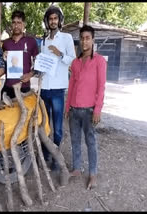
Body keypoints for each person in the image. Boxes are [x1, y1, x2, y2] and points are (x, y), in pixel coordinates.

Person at [65, 25, 107, 190]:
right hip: (74, 109)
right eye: (82, 38)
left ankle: (93, 174)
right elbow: (72, 85)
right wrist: (67, 107)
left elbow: (101, 87)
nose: (84, 41)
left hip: (89, 111)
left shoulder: (99, 61)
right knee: (75, 140)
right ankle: (76, 169)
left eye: (87, 38)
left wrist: (97, 109)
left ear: (93, 40)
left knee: (91, 142)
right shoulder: (75, 62)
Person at [40, 6, 76, 170]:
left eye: (55, 18)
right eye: (50, 19)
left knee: (58, 128)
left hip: (58, 89)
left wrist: (59, 53)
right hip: (44, 88)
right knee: (45, 125)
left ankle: (56, 157)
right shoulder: (44, 40)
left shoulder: (67, 38)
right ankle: (45, 155)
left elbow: (72, 60)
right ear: (47, 22)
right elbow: (43, 62)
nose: (53, 21)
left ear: (60, 20)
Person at [1, 10, 38, 99]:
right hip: (8, 87)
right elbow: (2, 65)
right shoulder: (6, 43)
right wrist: (3, 57)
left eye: (19, 23)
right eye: (14, 23)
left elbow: (38, 63)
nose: (16, 26)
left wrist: (30, 74)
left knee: (24, 112)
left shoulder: (31, 42)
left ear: (24, 24)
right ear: (11, 25)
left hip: (24, 88)